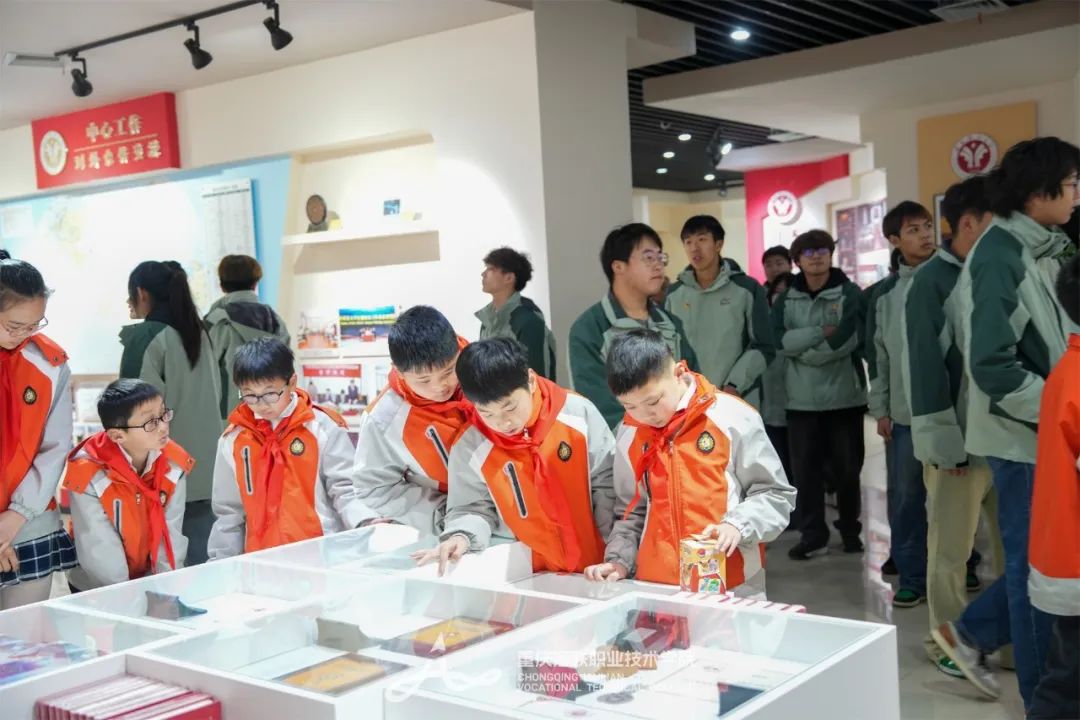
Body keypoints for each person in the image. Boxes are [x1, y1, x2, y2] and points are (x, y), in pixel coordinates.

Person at [934, 137, 1079, 708]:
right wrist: (1061, 408)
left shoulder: (1045, 245)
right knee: (1033, 569)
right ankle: (1045, 699)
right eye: (1071, 185)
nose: (1076, 195)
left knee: (1043, 564)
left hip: (1048, 431)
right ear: (1038, 191)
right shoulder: (1002, 254)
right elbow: (993, 366)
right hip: (1023, 438)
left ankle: (970, 634)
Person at [584, 329, 794, 598]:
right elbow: (630, 512)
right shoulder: (629, 432)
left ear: (679, 372)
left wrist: (737, 525)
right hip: (656, 586)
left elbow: (775, 494)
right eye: (629, 406)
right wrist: (619, 560)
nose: (645, 415)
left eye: (653, 401)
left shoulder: (732, 418)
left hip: (732, 583)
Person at [903, 176, 1003, 675]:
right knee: (951, 551)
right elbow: (925, 369)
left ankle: (1008, 641)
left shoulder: (997, 270)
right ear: (969, 223)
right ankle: (946, 641)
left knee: (1013, 547)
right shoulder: (931, 283)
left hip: (1006, 441)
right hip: (959, 444)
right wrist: (946, 447)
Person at [414, 338, 615, 574]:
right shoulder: (471, 446)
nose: (503, 423)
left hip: (601, 567)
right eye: (487, 413)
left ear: (530, 381)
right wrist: (461, 536)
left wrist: (611, 550)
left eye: (510, 407)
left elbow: (609, 484)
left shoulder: (577, 414)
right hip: (531, 575)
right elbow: (471, 508)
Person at [208, 338, 363, 557]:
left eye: (270, 393)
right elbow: (228, 513)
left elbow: (345, 488)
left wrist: (365, 521)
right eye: (250, 395)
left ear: (292, 383)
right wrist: (222, 563)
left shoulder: (322, 427)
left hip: (321, 556)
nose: (261, 404)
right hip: (260, 561)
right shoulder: (233, 440)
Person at [771, 230, 867, 560]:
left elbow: (847, 338)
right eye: (809, 252)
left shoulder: (850, 293)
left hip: (845, 399)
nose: (816, 257)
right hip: (800, 402)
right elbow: (778, 340)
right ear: (797, 260)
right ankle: (813, 536)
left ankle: (850, 531)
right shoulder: (786, 299)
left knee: (848, 471)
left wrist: (804, 350)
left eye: (823, 250)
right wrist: (818, 333)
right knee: (806, 474)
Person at [121, 261, 222, 565]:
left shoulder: (148, 337)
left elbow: (129, 412)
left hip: (162, 473)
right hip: (207, 470)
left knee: (164, 570)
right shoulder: (200, 333)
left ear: (141, 293)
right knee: (203, 566)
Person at [866, 201, 937, 608]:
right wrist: (882, 408)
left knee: (954, 498)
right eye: (913, 230)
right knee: (907, 498)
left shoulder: (952, 280)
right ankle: (912, 575)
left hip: (950, 412)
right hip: (905, 414)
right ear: (894, 240)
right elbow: (881, 358)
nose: (925, 235)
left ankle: (963, 562)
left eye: (927, 226)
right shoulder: (887, 296)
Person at [351, 306, 471, 536]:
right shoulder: (384, 418)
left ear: (458, 351)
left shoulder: (487, 370)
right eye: (424, 380)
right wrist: (441, 515)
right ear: (399, 372)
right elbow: (373, 486)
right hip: (453, 525)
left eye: (448, 371)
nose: (440, 386)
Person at [569, 223, 699, 429]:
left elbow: (693, 382)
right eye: (648, 258)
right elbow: (599, 404)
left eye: (660, 257)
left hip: (682, 436)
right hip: (626, 441)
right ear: (618, 267)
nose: (658, 265)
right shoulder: (590, 329)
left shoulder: (671, 323)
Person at [0, 255, 76, 609]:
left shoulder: (50, 363)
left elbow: (55, 448)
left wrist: (14, 519)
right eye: (14, 326)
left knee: (24, 636)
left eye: (33, 325)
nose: (23, 335)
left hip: (29, 522)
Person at [64, 379, 190, 591]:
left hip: (149, 577)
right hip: (97, 586)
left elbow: (171, 535)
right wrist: (125, 595)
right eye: (151, 422)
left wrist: (165, 589)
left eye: (163, 414)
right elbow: (100, 548)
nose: (163, 427)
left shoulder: (174, 463)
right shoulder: (87, 472)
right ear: (117, 435)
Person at [1026, 255, 1080, 720]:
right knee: (1066, 684)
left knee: (1066, 673)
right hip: (1075, 557)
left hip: (1062, 555)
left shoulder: (1067, 371)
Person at [664, 215, 774, 410]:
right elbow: (665, 349)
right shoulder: (674, 294)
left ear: (718, 244)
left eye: (702, 239)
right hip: (688, 401)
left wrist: (734, 385)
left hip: (737, 396)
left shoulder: (747, 289)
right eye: (688, 242)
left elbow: (764, 346)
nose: (694, 248)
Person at [203, 255, 290, 420]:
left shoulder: (217, 320)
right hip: (272, 413)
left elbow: (203, 370)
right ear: (256, 283)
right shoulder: (274, 320)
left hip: (230, 416)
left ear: (222, 285)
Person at [475, 247, 557, 380]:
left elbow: (537, 377)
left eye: (491, 269)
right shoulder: (487, 320)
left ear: (509, 278)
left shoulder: (528, 320)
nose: (483, 274)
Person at [762, 271, 795, 492]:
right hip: (771, 408)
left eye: (786, 294)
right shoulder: (763, 329)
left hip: (799, 407)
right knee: (778, 460)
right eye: (777, 293)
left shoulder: (797, 328)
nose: (779, 298)